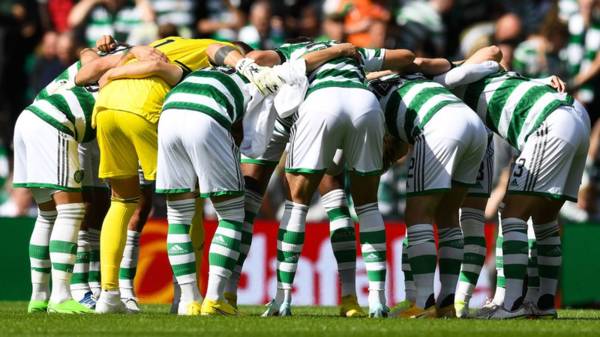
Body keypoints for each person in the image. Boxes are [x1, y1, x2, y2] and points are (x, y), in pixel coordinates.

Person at [89, 35, 283, 313]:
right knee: (219, 210)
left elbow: (84, 72)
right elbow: (191, 60)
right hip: (152, 109)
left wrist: (113, 71)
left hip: (110, 107)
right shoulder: (217, 59)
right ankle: (199, 298)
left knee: (127, 203)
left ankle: (110, 295)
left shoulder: (165, 45)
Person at [248, 39, 414, 317]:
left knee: (297, 203)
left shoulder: (295, 50)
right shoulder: (353, 51)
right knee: (367, 206)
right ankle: (376, 300)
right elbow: (406, 55)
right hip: (365, 104)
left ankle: (282, 299)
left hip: (320, 104)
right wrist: (365, 68)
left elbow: (255, 56)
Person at [431, 50, 590, 319]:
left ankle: (511, 304)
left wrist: (449, 65)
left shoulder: (448, 82)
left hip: (550, 120)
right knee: (545, 219)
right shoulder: (495, 75)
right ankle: (543, 303)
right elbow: (496, 56)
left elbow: (491, 50)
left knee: (513, 214)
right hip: (575, 114)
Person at [13, 43, 158, 314]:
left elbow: (86, 54)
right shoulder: (124, 76)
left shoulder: (89, 64)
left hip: (29, 118)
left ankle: (39, 297)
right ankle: (60, 297)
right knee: (71, 211)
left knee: (47, 215)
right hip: (56, 122)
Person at [367, 69, 488, 318]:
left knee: (418, 215)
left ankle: (423, 303)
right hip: (474, 124)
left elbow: (395, 146)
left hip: (439, 125)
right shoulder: (408, 76)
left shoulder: (361, 92)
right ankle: (447, 302)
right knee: (448, 214)